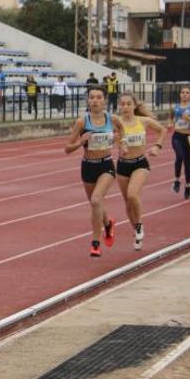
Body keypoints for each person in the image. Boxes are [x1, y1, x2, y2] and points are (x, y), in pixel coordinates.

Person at [64, 86, 124, 257]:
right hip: (88, 166)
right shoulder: (82, 122)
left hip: (106, 165)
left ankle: (95, 242)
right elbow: (67, 148)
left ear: (105, 100)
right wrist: (80, 142)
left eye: (99, 97)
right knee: (95, 203)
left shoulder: (112, 119)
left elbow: (122, 131)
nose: (95, 100)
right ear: (88, 100)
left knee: (97, 200)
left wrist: (122, 142)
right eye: (92, 97)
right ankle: (108, 223)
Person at [116, 93, 166, 250]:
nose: (125, 107)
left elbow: (162, 130)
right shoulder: (116, 123)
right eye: (122, 104)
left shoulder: (143, 121)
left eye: (128, 104)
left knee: (132, 195)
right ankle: (137, 228)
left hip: (140, 163)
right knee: (128, 203)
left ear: (134, 106)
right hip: (123, 165)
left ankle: (139, 225)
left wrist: (158, 145)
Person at [168, 87, 190, 199]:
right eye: (182, 93)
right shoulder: (175, 108)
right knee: (179, 156)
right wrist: (170, 123)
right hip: (177, 136)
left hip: (189, 137)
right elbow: (170, 116)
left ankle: (188, 186)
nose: (184, 95)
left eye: (187, 93)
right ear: (180, 95)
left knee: (187, 162)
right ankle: (177, 180)